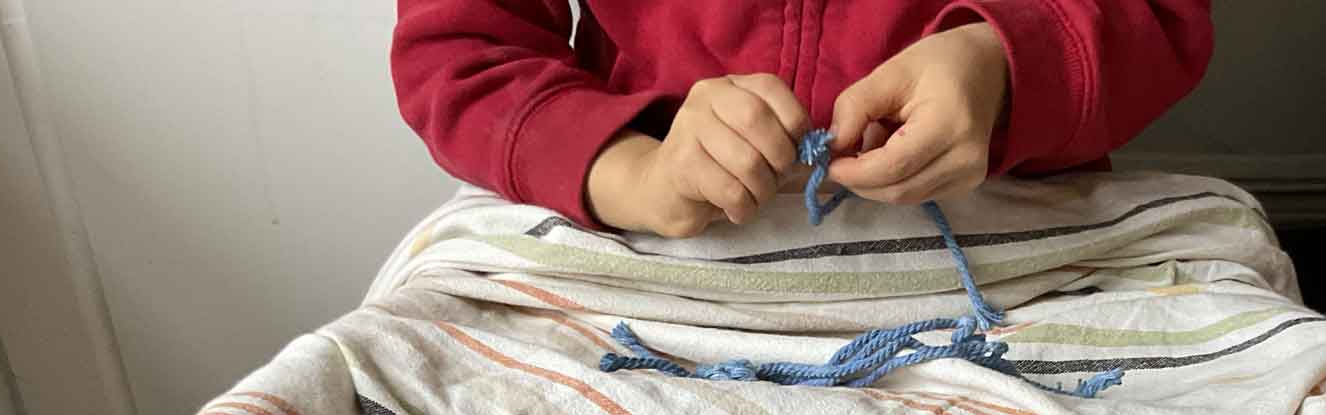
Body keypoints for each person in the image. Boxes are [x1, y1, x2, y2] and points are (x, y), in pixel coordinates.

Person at [391, 0, 1214, 237]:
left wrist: (1004, 61)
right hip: (633, 233)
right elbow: (462, 49)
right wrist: (628, 170)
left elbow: (1161, 16)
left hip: (1016, 234)